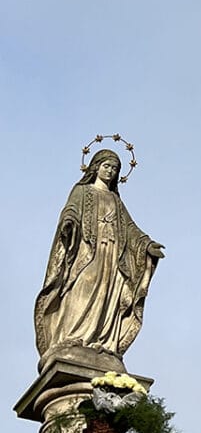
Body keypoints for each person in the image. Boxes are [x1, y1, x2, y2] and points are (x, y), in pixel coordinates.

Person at [35, 150, 164, 365]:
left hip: (112, 255)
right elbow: (71, 211)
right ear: (96, 167)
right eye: (107, 166)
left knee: (106, 294)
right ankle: (71, 338)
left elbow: (131, 229)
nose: (110, 172)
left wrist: (147, 244)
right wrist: (69, 222)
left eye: (114, 169)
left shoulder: (115, 200)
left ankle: (101, 341)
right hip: (87, 252)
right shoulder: (82, 191)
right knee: (82, 289)